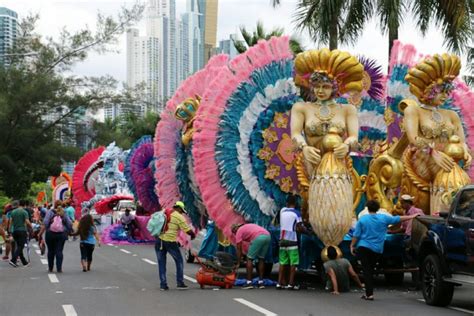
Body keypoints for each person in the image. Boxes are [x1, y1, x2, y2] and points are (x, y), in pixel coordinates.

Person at [291, 49, 363, 250]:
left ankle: (336, 239)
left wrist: (347, 144)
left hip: (338, 164)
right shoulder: (302, 108)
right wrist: (304, 147)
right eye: (316, 86)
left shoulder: (347, 110)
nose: (320, 91)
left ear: (335, 87)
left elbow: (354, 137)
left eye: (325, 86)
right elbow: (295, 134)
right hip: (312, 162)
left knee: (337, 207)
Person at [350, 200, 420, 301]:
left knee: (367, 271)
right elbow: (398, 219)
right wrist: (412, 216)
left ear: (367, 208)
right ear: (378, 208)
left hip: (363, 247)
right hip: (377, 249)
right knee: (371, 269)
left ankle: (369, 294)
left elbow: (356, 235)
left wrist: (352, 245)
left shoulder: (362, 219)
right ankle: (369, 293)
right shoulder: (384, 218)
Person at [155, 201, 195, 291]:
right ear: (179, 208)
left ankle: (163, 284)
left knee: (161, 263)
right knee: (179, 261)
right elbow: (187, 230)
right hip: (170, 241)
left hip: (159, 241)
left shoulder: (164, 212)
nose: (182, 213)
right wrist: (193, 235)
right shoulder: (179, 216)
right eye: (182, 211)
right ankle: (180, 283)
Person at [277, 195, 306, 290]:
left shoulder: (282, 211)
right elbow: (300, 227)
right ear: (296, 203)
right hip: (292, 241)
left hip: (282, 240)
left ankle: (279, 283)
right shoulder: (296, 214)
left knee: (282, 262)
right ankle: (290, 284)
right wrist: (307, 231)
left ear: (287, 203)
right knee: (293, 263)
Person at [232, 223, 271, 289]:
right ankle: (261, 282)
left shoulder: (239, 231)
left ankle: (249, 282)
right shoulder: (247, 226)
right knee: (261, 259)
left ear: (235, 229)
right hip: (267, 235)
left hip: (258, 237)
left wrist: (238, 262)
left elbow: (239, 249)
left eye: (233, 233)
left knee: (249, 259)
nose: (234, 234)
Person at [40, 205, 72, 273]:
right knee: (59, 250)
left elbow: (45, 223)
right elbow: (69, 223)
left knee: (50, 251)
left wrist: (40, 233)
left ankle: (50, 268)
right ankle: (59, 269)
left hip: (50, 234)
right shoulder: (64, 212)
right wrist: (68, 231)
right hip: (61, 234)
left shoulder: (50, 212)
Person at [8, 200, 32, 267]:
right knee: (21, 246)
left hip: (15, 231)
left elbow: (10, 222)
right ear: (24, 205)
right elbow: (27, 221)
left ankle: (24, 262)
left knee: (19, 246)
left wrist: (10, 231)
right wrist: (31, 227)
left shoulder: (13, 211)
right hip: (22, 231)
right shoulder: (24, 212)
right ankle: (13, 260)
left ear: (18, 204)